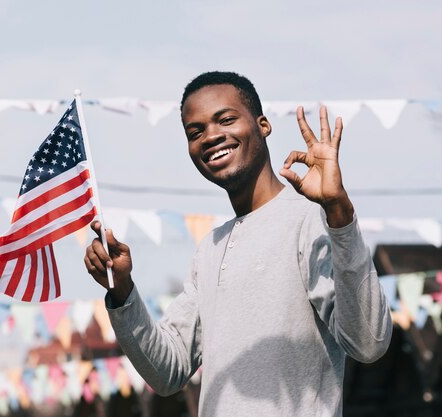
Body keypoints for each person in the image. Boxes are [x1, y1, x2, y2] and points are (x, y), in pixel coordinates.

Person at [83, 71, 392, 416]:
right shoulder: (210, 247)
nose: (211, 136)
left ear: (263, 125)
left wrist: (338, 210)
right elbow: (167, 372)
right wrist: (122, 290)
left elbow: (368, 342)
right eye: (195, 132)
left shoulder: (312, 219)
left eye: (225, 120)